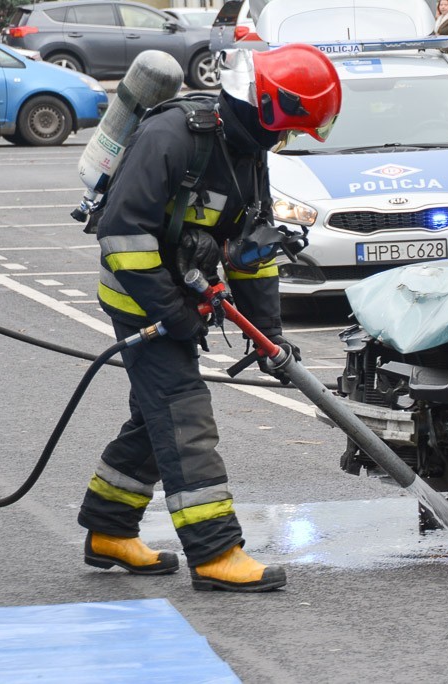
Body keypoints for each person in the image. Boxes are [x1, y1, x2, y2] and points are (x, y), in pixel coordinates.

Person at [78, 44, 341, 592]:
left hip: (178, 301)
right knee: (183, 416)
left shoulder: (248, 150)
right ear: (269, 110)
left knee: (156, 418)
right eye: (290, 128)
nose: (287, 139)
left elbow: (252, 249)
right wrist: (171, 313)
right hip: (139, 299)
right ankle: (215, 551)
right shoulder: (172, 136)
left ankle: (108, 529)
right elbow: (121, 237)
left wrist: (270, 336)